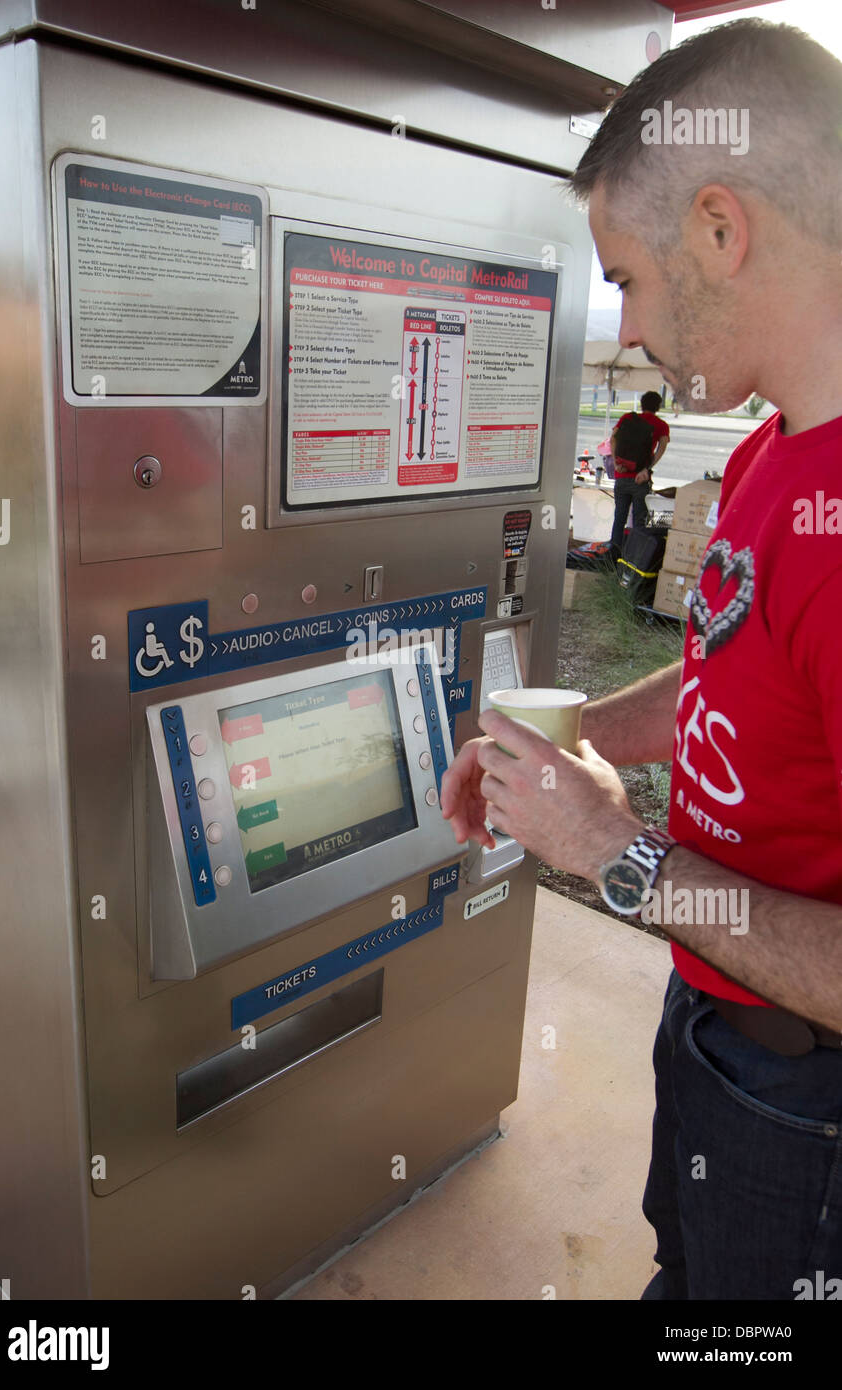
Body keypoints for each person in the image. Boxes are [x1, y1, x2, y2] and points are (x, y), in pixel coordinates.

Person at [441, 17, 842, 1300]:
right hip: (716, 1027)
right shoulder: (774, 454)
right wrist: (567, 743)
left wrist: (617, 856)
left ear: (719, 230)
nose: (622, 318)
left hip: (805, 1090)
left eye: (623, 274)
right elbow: (727, 666)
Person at [609, 390, 669, 559]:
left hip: (621, 477)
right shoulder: (661, 425)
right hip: (640, 480)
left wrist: (615, 462)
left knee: (619, 518)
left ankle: (613, 558)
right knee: (639, 522)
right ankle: (633, 559)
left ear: (642, 404)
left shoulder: (627, 418)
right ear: (658, 407)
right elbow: (661, 449)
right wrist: (647, 469)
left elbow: (613, 439)